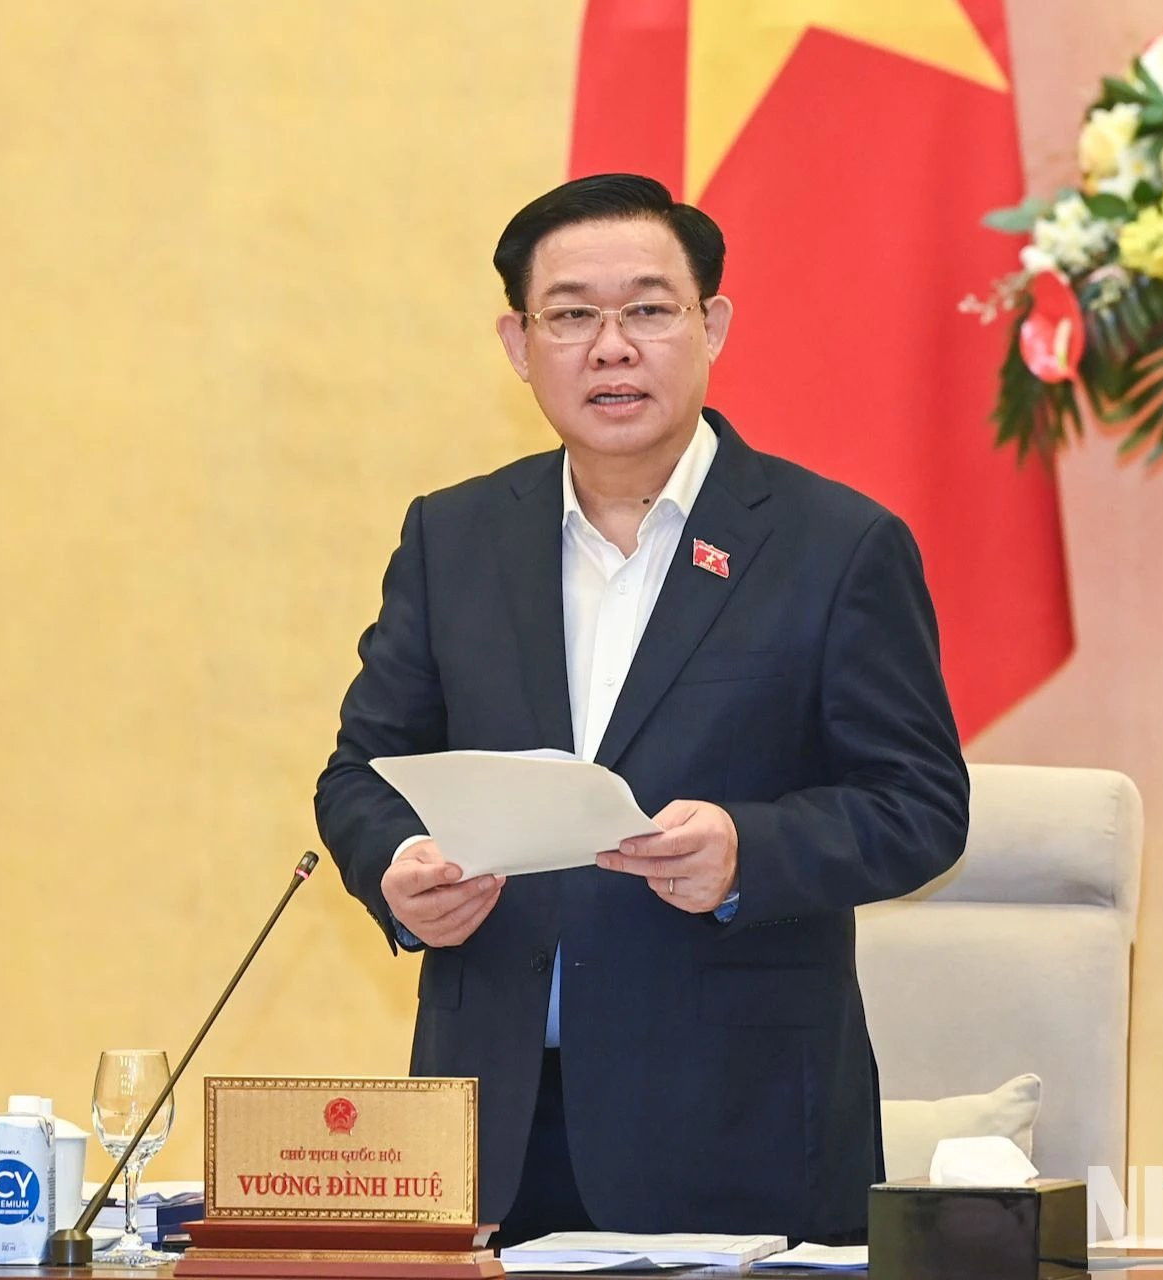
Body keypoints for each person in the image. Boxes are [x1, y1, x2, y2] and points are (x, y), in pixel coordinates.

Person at [313, 173, 969, 1245]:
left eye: (649, 310)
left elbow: (920, 805)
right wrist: (396, 871)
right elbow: (359, 774)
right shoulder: (455, 538)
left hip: (740, 1130)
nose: (610, 347)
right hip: (493, 1132)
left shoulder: (836, 546)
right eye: (571, 314)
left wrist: (747, 849)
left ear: (711, 324)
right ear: (519, 345)